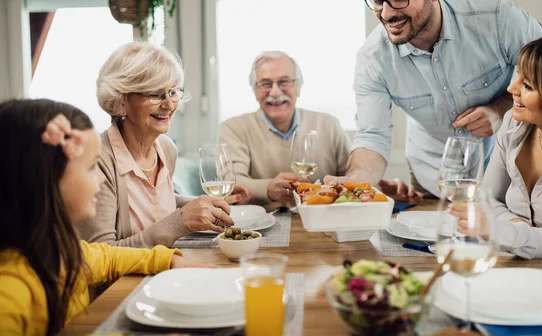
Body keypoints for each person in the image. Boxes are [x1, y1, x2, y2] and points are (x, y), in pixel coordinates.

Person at [327, 0, 542, 199]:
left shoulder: (499, 20)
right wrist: (355, 183)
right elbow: (373, 135)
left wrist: (500, 109)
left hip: (513, 172)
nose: (386, 13)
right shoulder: (373, 59)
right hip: (433, 177)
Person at [0, 99, 208, 335]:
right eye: (91, 167)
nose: (101, 178)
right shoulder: (10, 293)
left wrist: (170, 261)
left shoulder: (64, 252)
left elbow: (109, 258)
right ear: (43, 180)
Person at [450, 30, 542, 298]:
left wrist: (493, 228)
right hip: (524, 264)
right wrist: (522, 230)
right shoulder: (514, 123)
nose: (511, 89)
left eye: (527, 86)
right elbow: (488, 197)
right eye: (518, 77)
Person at [78, 42, 251, 248]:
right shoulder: (98, 160)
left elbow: (156, 204)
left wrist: (204, 203)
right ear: (120, 101)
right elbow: (101, 255)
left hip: (165, 269)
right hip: (128, 280)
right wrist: (181, 221)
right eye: (155, 94)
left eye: (173, 92)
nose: (169, 105)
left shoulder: (166, 148)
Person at [218, 51, 351, 206]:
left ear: (298, 87)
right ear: (254, 90)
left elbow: (351, 177)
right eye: (265, 84)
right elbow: (232, 182)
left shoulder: (330, 125)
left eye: (284, 82)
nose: (275, 92)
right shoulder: (233, 129)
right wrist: (268, 189)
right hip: (263, 226)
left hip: (324, 221)